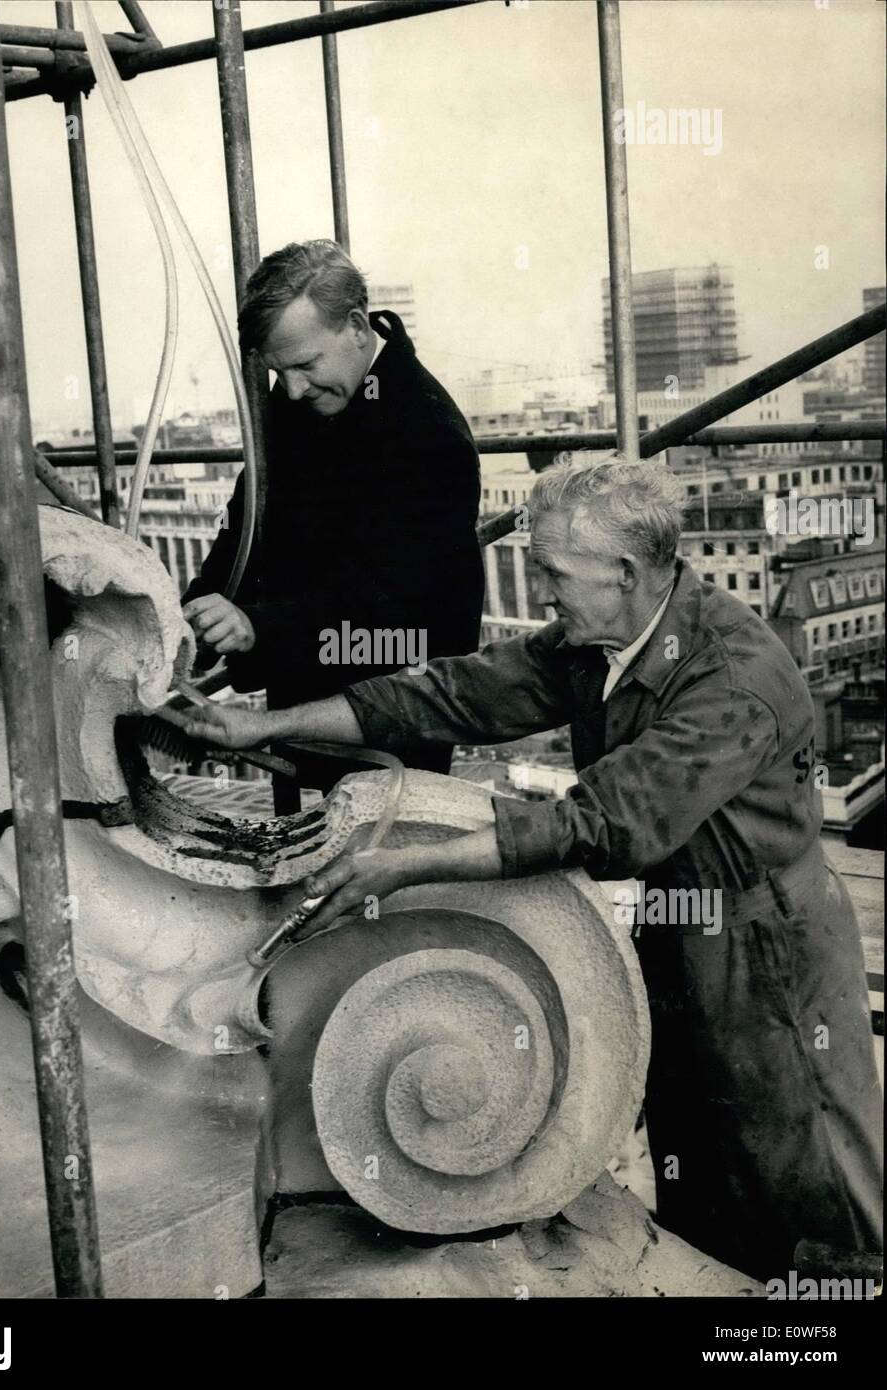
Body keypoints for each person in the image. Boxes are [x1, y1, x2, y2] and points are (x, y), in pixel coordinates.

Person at [181, 452, 883, 1285]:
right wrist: (262, 726)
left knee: (811, 1191)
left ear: (622, 571)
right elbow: (453, 695)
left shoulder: (733, 677)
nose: (540, 587)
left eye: (552, 570)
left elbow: (604, 824)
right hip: (677, 933)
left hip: (768, 954)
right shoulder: (602, 639)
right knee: (701, 1177)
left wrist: (402, 869)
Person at [181, 239, 484, 786]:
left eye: (304, 365)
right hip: (302, 682)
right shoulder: (312, 391)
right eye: (279, 372)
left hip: (393, 706)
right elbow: (251, 513)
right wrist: (206, 603)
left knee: (373, 853)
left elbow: (396, 600)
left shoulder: (427, 433)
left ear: (356, 327)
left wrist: (257, 624)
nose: (293, 389)